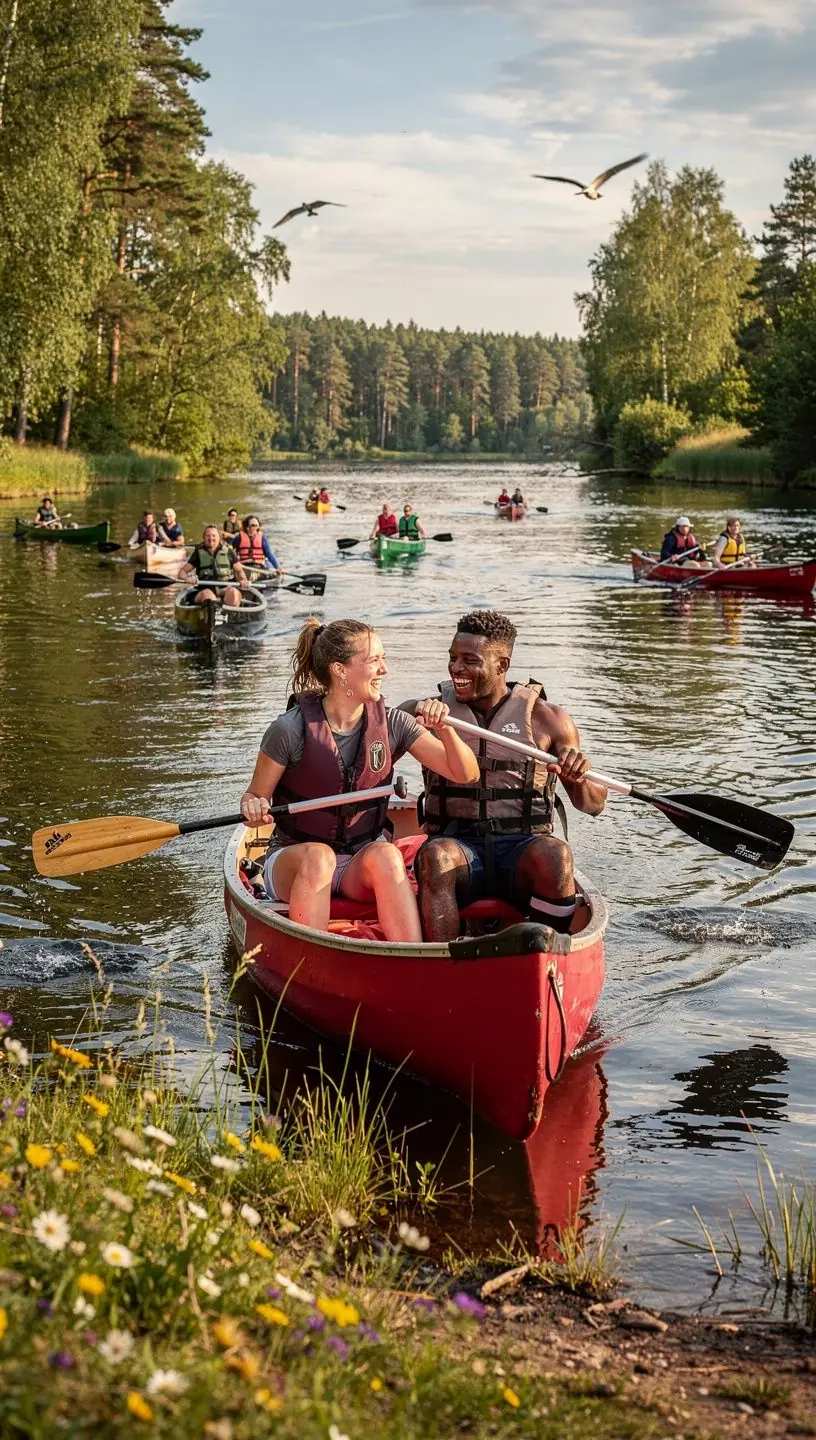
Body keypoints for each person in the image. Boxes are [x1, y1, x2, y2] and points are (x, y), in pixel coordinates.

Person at [239, 618, 480, 940]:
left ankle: (410, 961)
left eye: (383, 659)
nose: (384, 670)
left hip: (360, 861)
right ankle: (311, 960)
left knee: (387, 854)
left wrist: (445, 728)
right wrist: (255, 807)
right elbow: (254, 799)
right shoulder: (289, 730)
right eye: (373, 661)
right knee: (319, 857)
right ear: (340, 670)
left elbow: (465, 773)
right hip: (294, 860)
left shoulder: (394, 723)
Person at [400, 610, 607, 942]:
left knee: (557, 856)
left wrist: (578, 774)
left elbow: (592, 805)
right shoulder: (425, 711)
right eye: (453, 658)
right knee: (435, 857)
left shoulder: (548, 720)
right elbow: (369, 749)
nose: (456, 668)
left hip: (523, 848)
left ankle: (545, 952)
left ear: (502, 665)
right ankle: (443, 965)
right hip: (458, 846)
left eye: (470, 660)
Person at [179, 524, 249, 607]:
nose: (211, 538)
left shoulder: (228, 552)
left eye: (213, 535)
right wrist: (187, 578)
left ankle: (230, 613)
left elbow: (239, 571)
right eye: (208, 535)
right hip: (205, 589)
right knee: (208, 596)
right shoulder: (198, 553)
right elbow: (182, 572)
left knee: (233, 593)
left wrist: (244, 580)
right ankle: (212, 610)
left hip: (226, 588)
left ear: (219, 537)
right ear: (203, 537)